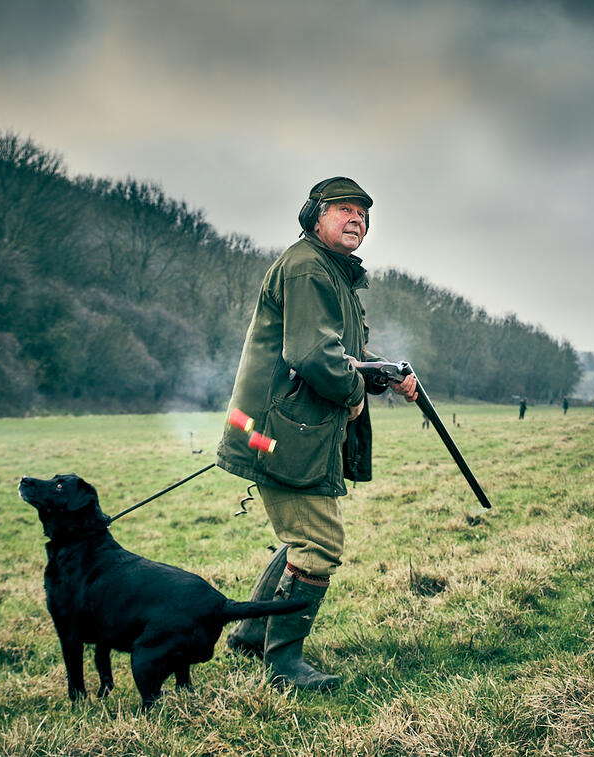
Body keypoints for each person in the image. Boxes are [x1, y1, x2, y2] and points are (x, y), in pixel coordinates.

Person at [216, 177, 418, 691]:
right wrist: (354, 393)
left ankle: (250, 634)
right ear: (314, 216)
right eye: (344, 209)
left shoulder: (333, 274)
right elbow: (311, 356)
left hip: (289, 429)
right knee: (319, 541)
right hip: (278, 432)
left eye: (364, 215)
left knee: (302, 536)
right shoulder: (308, 268)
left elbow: (343, 351)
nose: (357, 220)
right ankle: (283, 667)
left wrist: (388, 373)